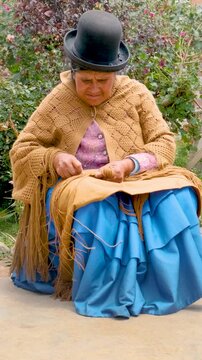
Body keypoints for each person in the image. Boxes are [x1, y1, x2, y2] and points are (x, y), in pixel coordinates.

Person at [10, 10, 202, 318]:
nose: (95, 88)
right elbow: (24, 147)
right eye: (86, 81)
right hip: (79, 184)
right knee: (97, 207)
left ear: (116, 75)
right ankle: (105, 292)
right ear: (73, 73)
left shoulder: (136, 93)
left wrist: (130, 164)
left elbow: (163, 142)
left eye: (104, 80)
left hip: (133, 179)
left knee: (178, 196)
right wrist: (55, 158)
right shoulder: (59, 98)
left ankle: (169, 288)